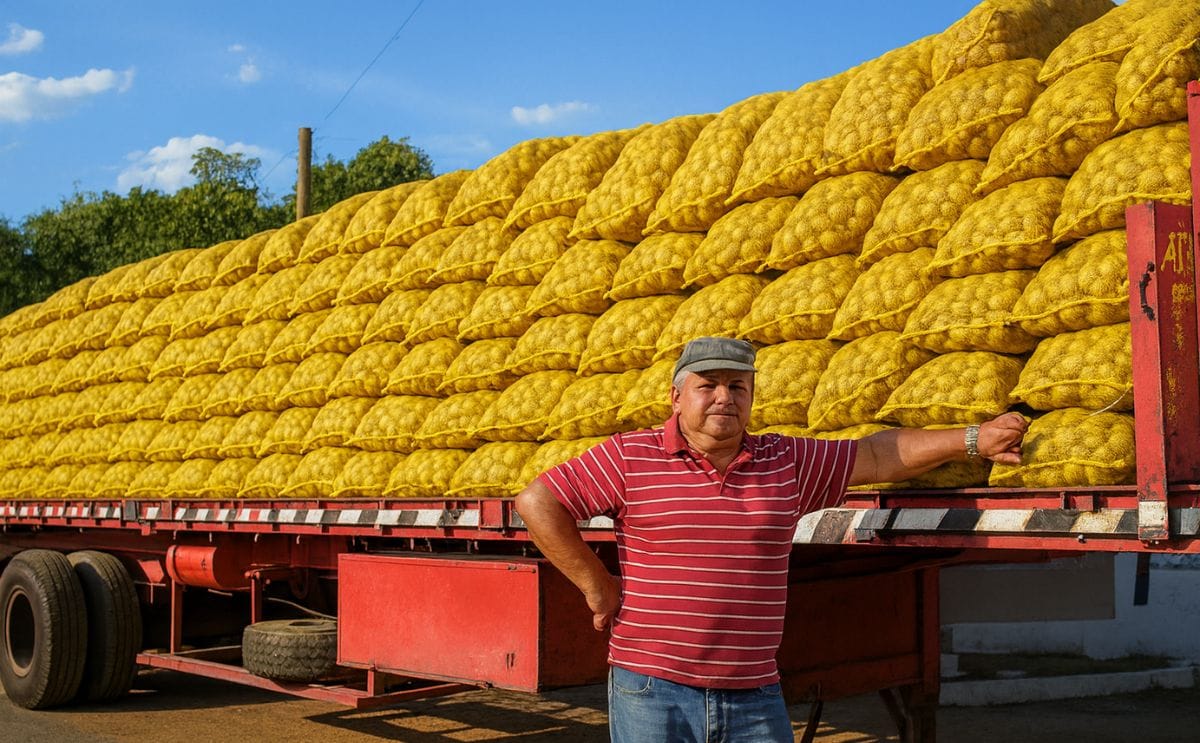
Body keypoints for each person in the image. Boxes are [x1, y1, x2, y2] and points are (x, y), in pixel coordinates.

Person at [514, 336, 1027, 742]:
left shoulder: (783, 462)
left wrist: (971, 440)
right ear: (676, 396)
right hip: (653, 689)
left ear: (753, 398)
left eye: (738, 387)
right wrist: (596, 584)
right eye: (708, 385)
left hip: (753, 694)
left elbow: (876, 454)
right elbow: (538, 502)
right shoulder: (630, 457)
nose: (724, 397)